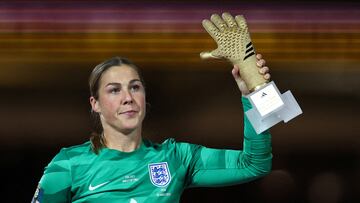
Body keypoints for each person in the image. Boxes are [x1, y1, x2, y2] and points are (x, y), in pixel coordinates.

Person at [31, 54, 272, 203]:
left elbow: (253, 164)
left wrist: (255, 93)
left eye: (135, 87)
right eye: (114, 90)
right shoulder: (67, 164)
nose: (128, 98)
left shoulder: (177, 158)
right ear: (95, 104)